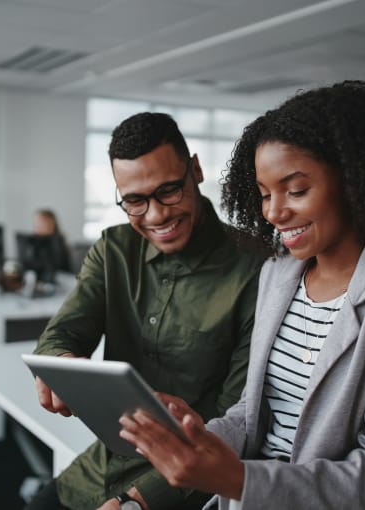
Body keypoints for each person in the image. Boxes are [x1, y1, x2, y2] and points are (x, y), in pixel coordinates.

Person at [119, 81, 365, 510]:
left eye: (296, 190)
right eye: (264, 194)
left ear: (355, 179)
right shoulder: (279, 273)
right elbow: (251, 415)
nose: (273, 212)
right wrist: (194, 437)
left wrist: (239, 478)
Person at [26, 113, 264, 510]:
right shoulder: (113, 249)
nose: (156, 216)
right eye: (135, 201)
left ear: (196, 170)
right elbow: (60, 334)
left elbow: (236, 417)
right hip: (103, 466)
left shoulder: (256, 268)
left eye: (169, 191)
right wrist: (57, 363)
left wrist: (139, 502)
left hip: (188, 483)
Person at [33, 208, 72, 273]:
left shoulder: (58, 242)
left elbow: (53, 267)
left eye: (40, 223)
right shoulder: (33, 242)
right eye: (36, 223)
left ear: (51, 223)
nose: (37, 227)